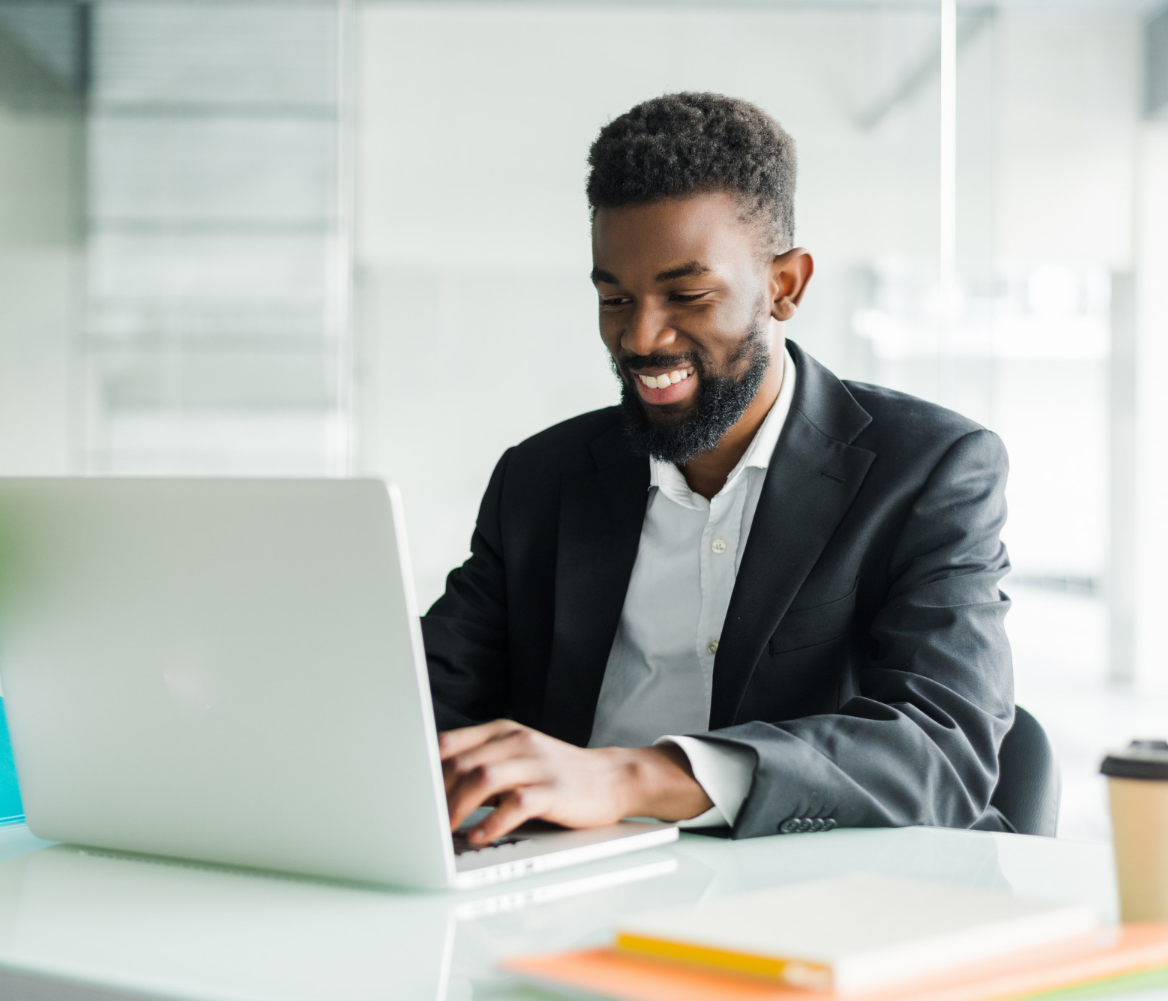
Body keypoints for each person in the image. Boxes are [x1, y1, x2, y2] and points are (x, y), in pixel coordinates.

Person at [427, 92, 1015, 845]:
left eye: (687, 294)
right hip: (564, 885)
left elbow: (940, 749)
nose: (640, 336)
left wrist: (628, 776)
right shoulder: (541, 477)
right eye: (614, 296)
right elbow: (430, 697)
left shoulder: (930, 469)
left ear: (785, 286)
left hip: (808, 898)